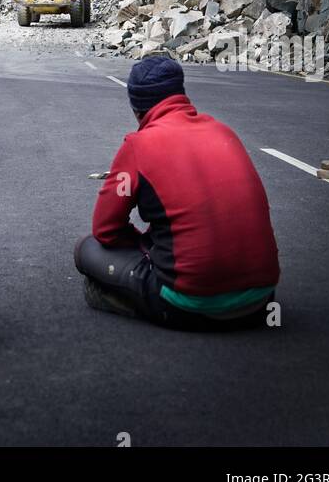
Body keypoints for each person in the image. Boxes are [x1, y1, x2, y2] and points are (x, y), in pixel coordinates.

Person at [75, 56, 280, 329]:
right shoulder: (224, 132)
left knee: (86, 249)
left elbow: (106, 230)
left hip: (189, 306)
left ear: (137, 110)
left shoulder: (138, 146)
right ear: (181, 94)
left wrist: (142, 245)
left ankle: (131, 299)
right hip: (262, 300)